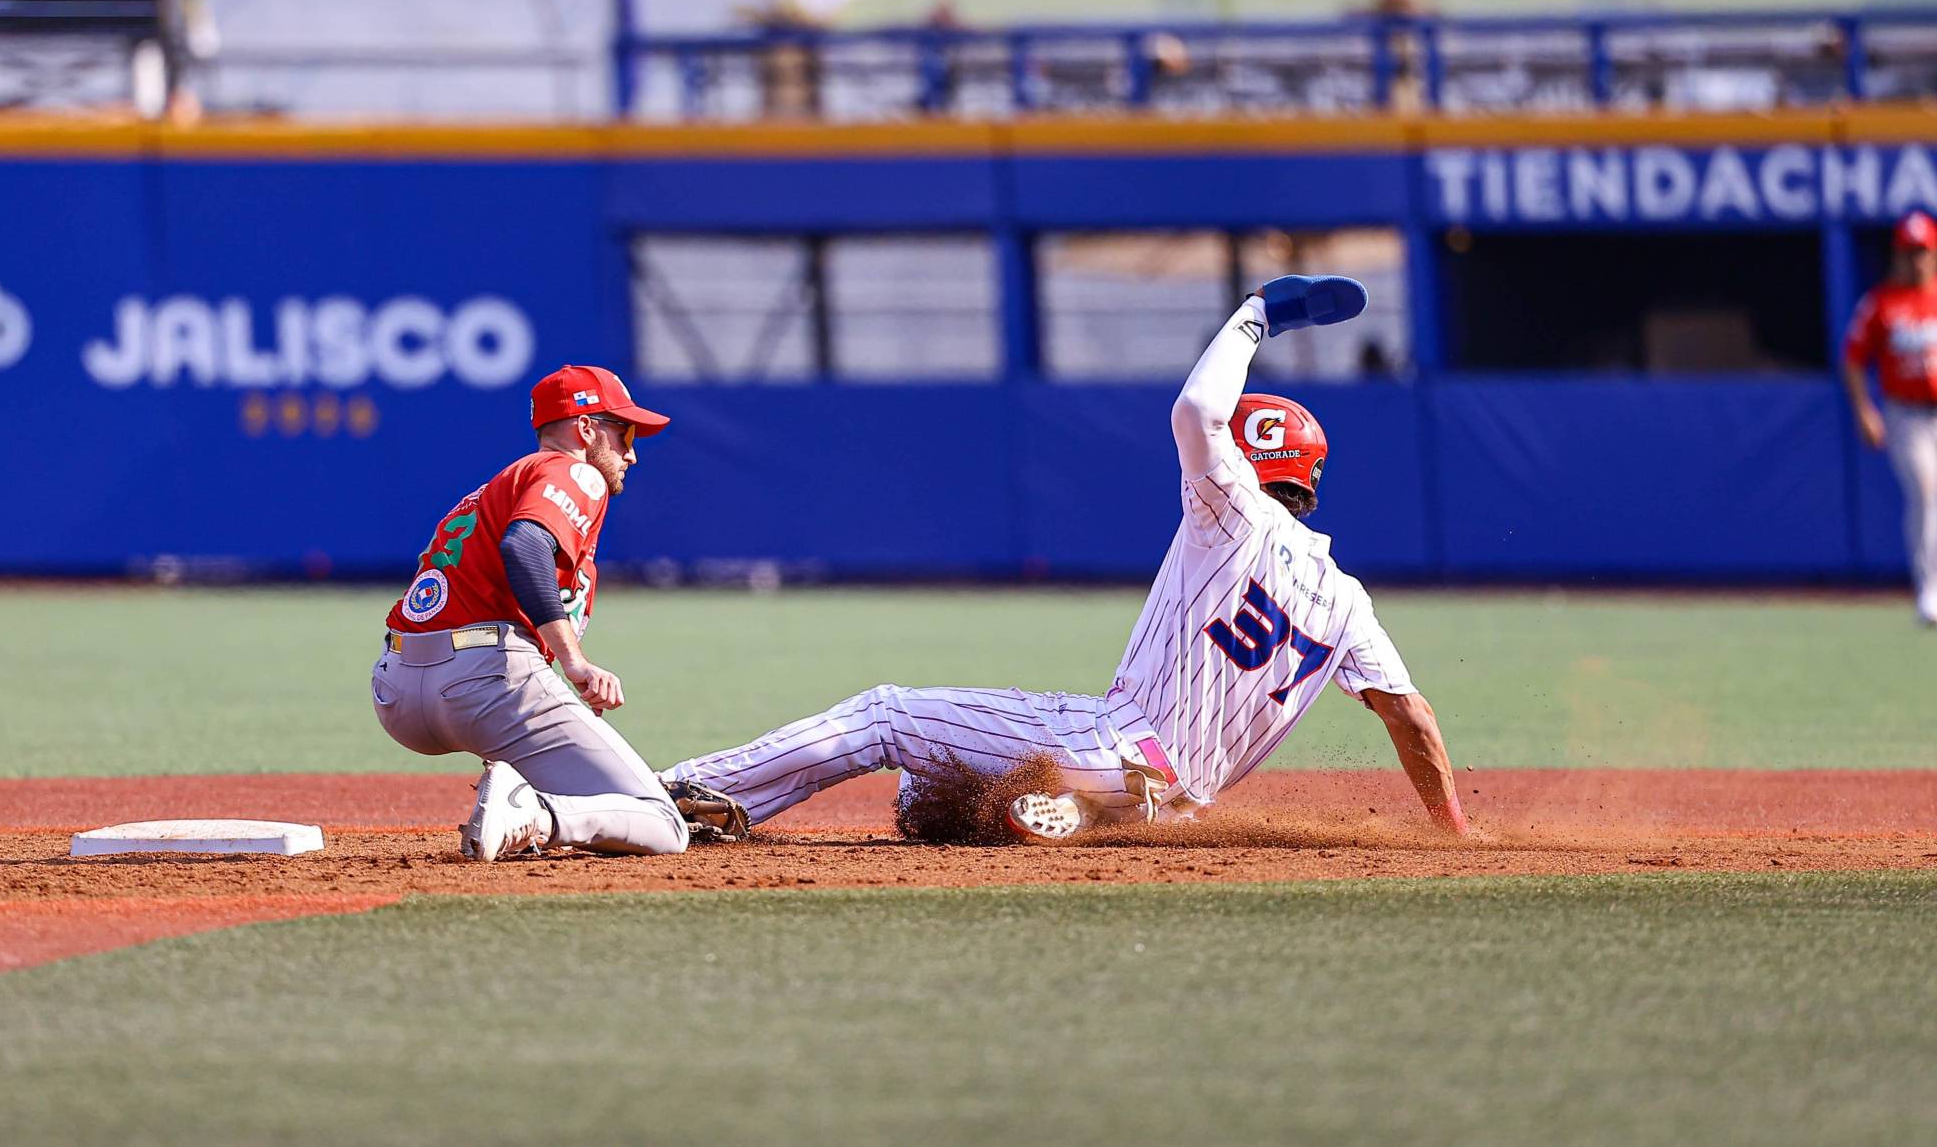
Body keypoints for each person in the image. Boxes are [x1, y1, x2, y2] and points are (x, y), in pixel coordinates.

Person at [662, 276, 1472, 843]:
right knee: (927, 799)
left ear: (1253, 463)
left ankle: (692, 791)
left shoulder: (1234, 510)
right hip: (1175, 807)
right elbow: (1414, 721)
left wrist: (1259, 313)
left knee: (884, 715)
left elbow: (1196, 408)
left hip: (1111, 744)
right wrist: (1455, 837)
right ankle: (1067, 816)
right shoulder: (1346, 598)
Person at [371, 364, 698, 860]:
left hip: (396, 693)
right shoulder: (576, 471)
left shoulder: (487, 492)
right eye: (624, 431)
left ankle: (515, 788)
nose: (631, 452)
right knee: (663, 826)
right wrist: (575, 661)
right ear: (586, 428)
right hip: (482, 683)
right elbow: (524, 547)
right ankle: (536, 814)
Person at [1843, 210, 1937, 627]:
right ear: (1898, 254)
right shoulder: (1881, 302)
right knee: (1926, 490)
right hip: (1906, 414)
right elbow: (1853, 358)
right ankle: (1930, 589)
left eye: (1923, 251)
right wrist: (1865, 409)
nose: (1916, 260)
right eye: (1909, 252)